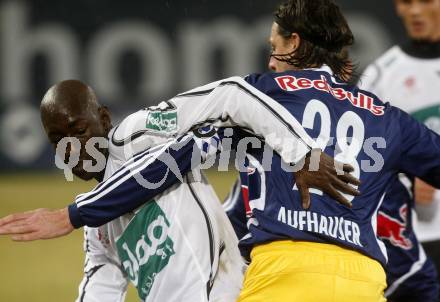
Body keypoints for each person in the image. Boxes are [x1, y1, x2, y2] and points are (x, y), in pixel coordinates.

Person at [0, 74, 359, 302]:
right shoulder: (99, 230)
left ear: (104, 119)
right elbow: (100, 287)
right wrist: (83, 215)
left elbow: (229, 96)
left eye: (78, 131)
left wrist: (299, 152)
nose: (72, 148)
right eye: (57, 140)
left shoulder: (136, 136)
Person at [360, 0, 440, 300]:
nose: (416, 11)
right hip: (413, 240)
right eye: (407, 2)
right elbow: (362, 161)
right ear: (397, 7)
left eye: (426, 1)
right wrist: (408, 172)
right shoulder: (379, 77)